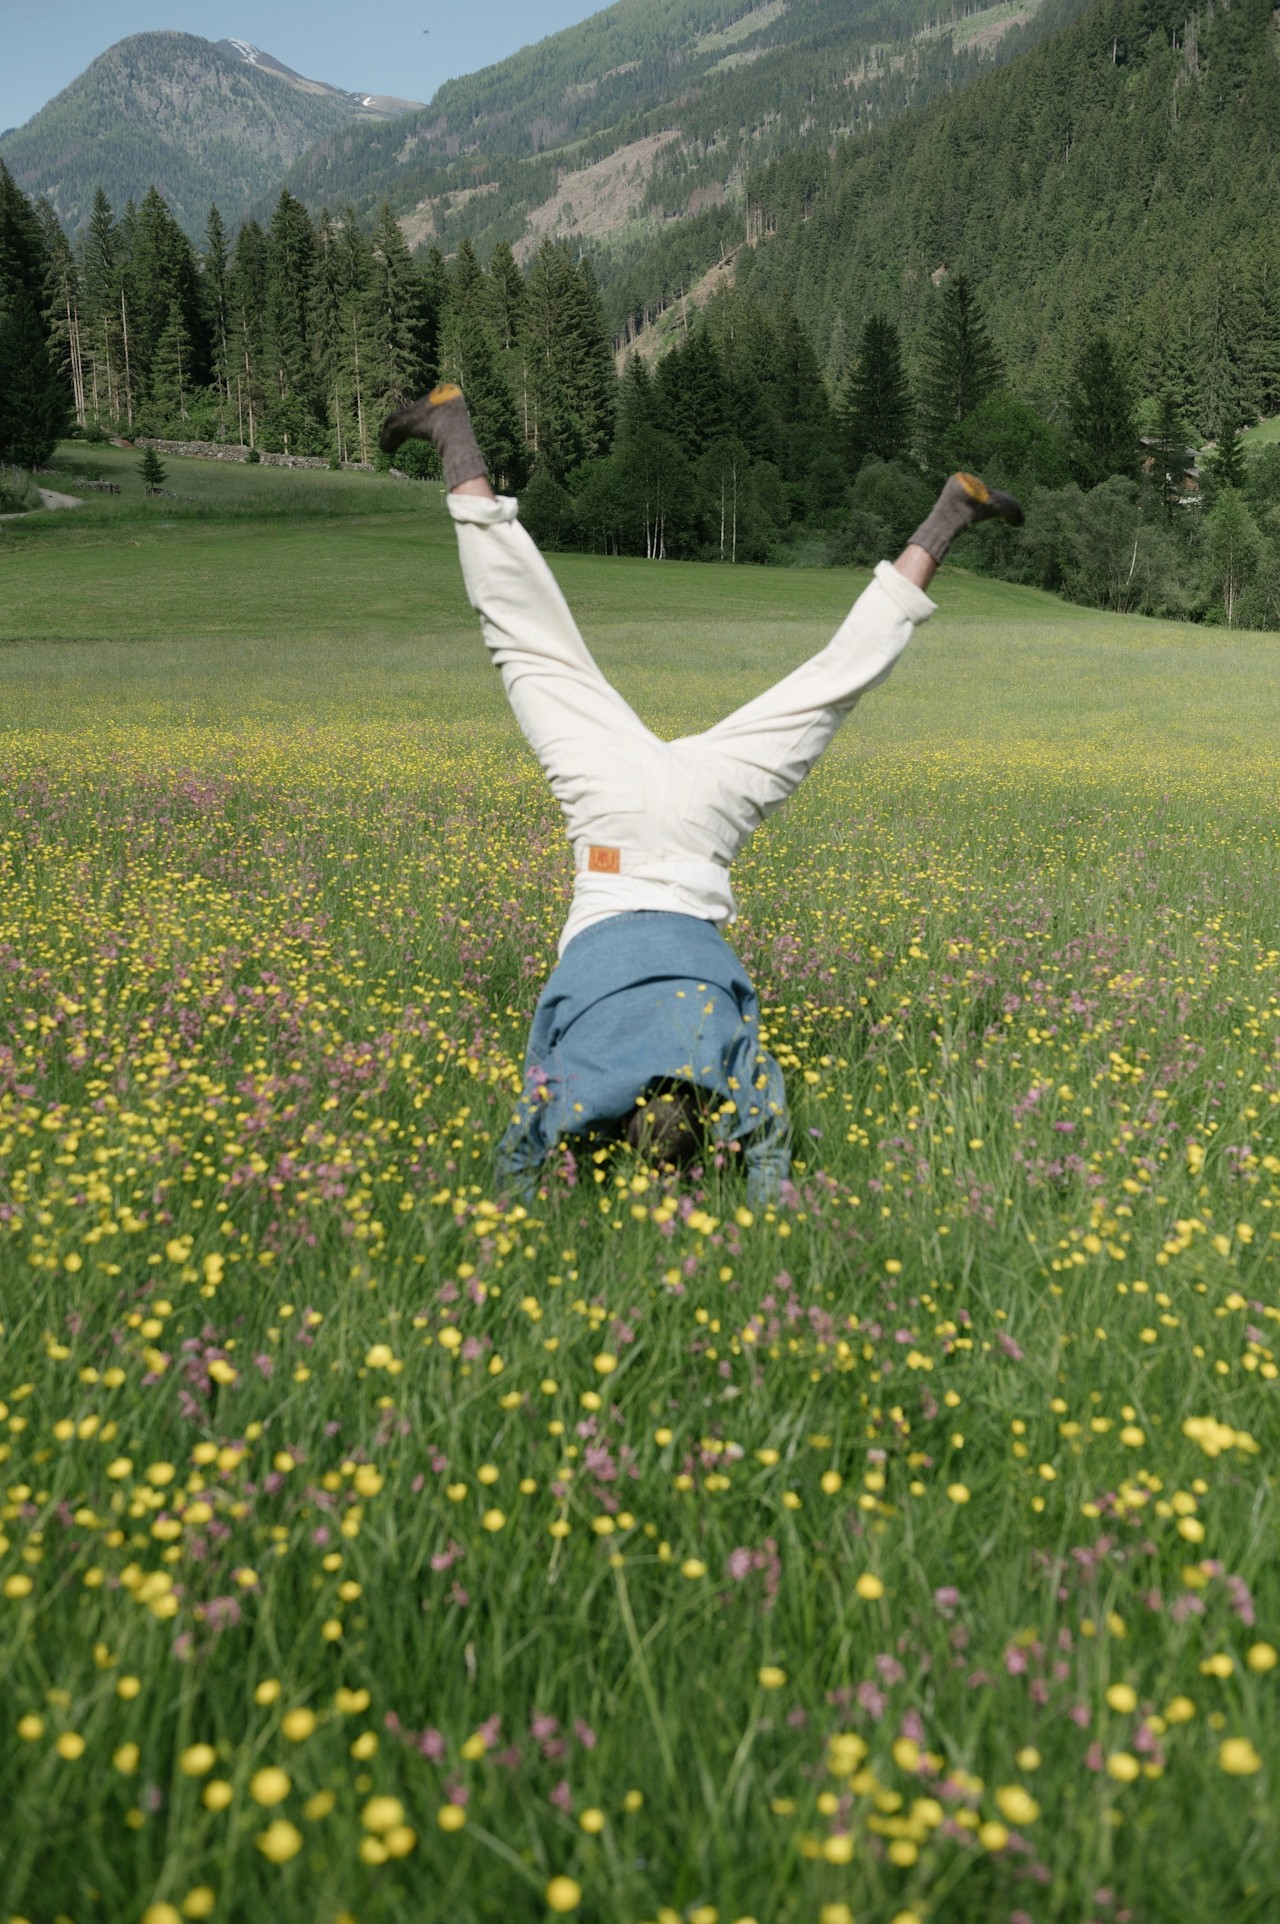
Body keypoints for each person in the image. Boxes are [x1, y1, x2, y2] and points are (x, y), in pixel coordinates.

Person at [380, 386, 1022, 1203]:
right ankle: (452, 434)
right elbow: (521, 1152)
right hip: (612, 831)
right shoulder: (579, 1080)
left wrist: (762, 1197)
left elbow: (768, 1148)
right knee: (531, 643)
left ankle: (947, 519)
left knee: (825, 689)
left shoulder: (728, 1062)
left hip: (701, 829)